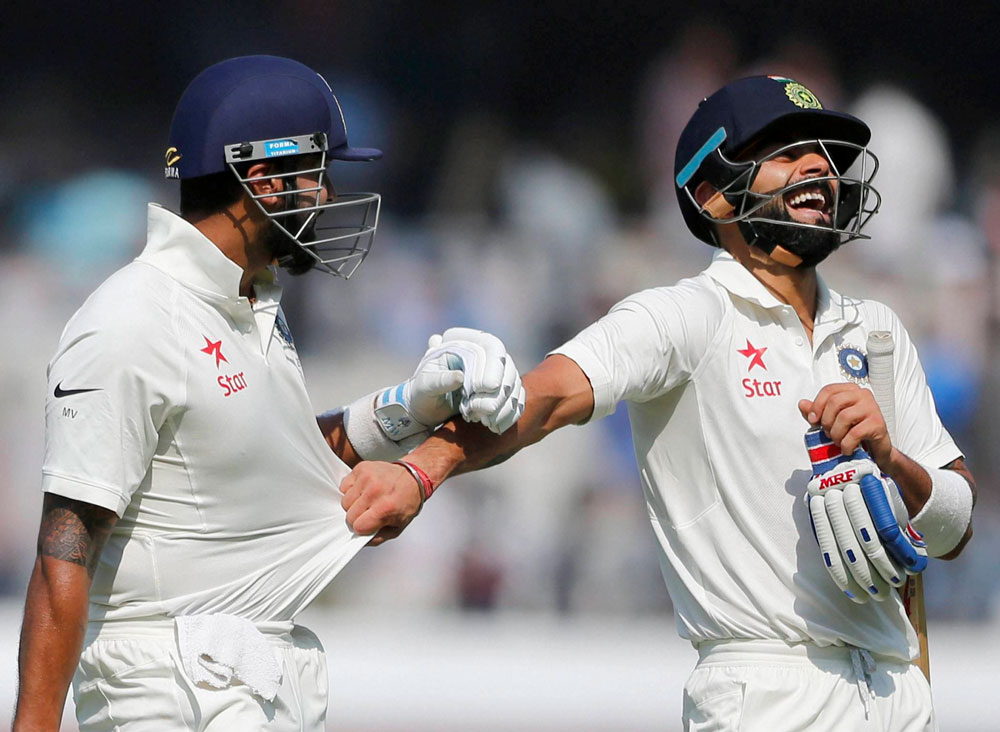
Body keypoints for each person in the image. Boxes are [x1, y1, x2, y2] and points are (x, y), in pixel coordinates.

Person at [340, 76, 977, 731]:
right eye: (785, 152)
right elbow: (545, 398)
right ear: (711, 192)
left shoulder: (875, 330)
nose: (818, 165)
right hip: (768, 693)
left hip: (896, 687)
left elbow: (955, 526)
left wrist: (891, 459)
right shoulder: (683, 316)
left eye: (826, 154)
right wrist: (422, 468)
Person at [14, 55, 524, 731]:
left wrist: (409, 407)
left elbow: (263, 457)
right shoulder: (132, 319)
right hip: (171, 691)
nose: (325, 197)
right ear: (263, 179)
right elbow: (63, 555)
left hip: (248, 682)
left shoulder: (251, 303)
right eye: (318, 175)